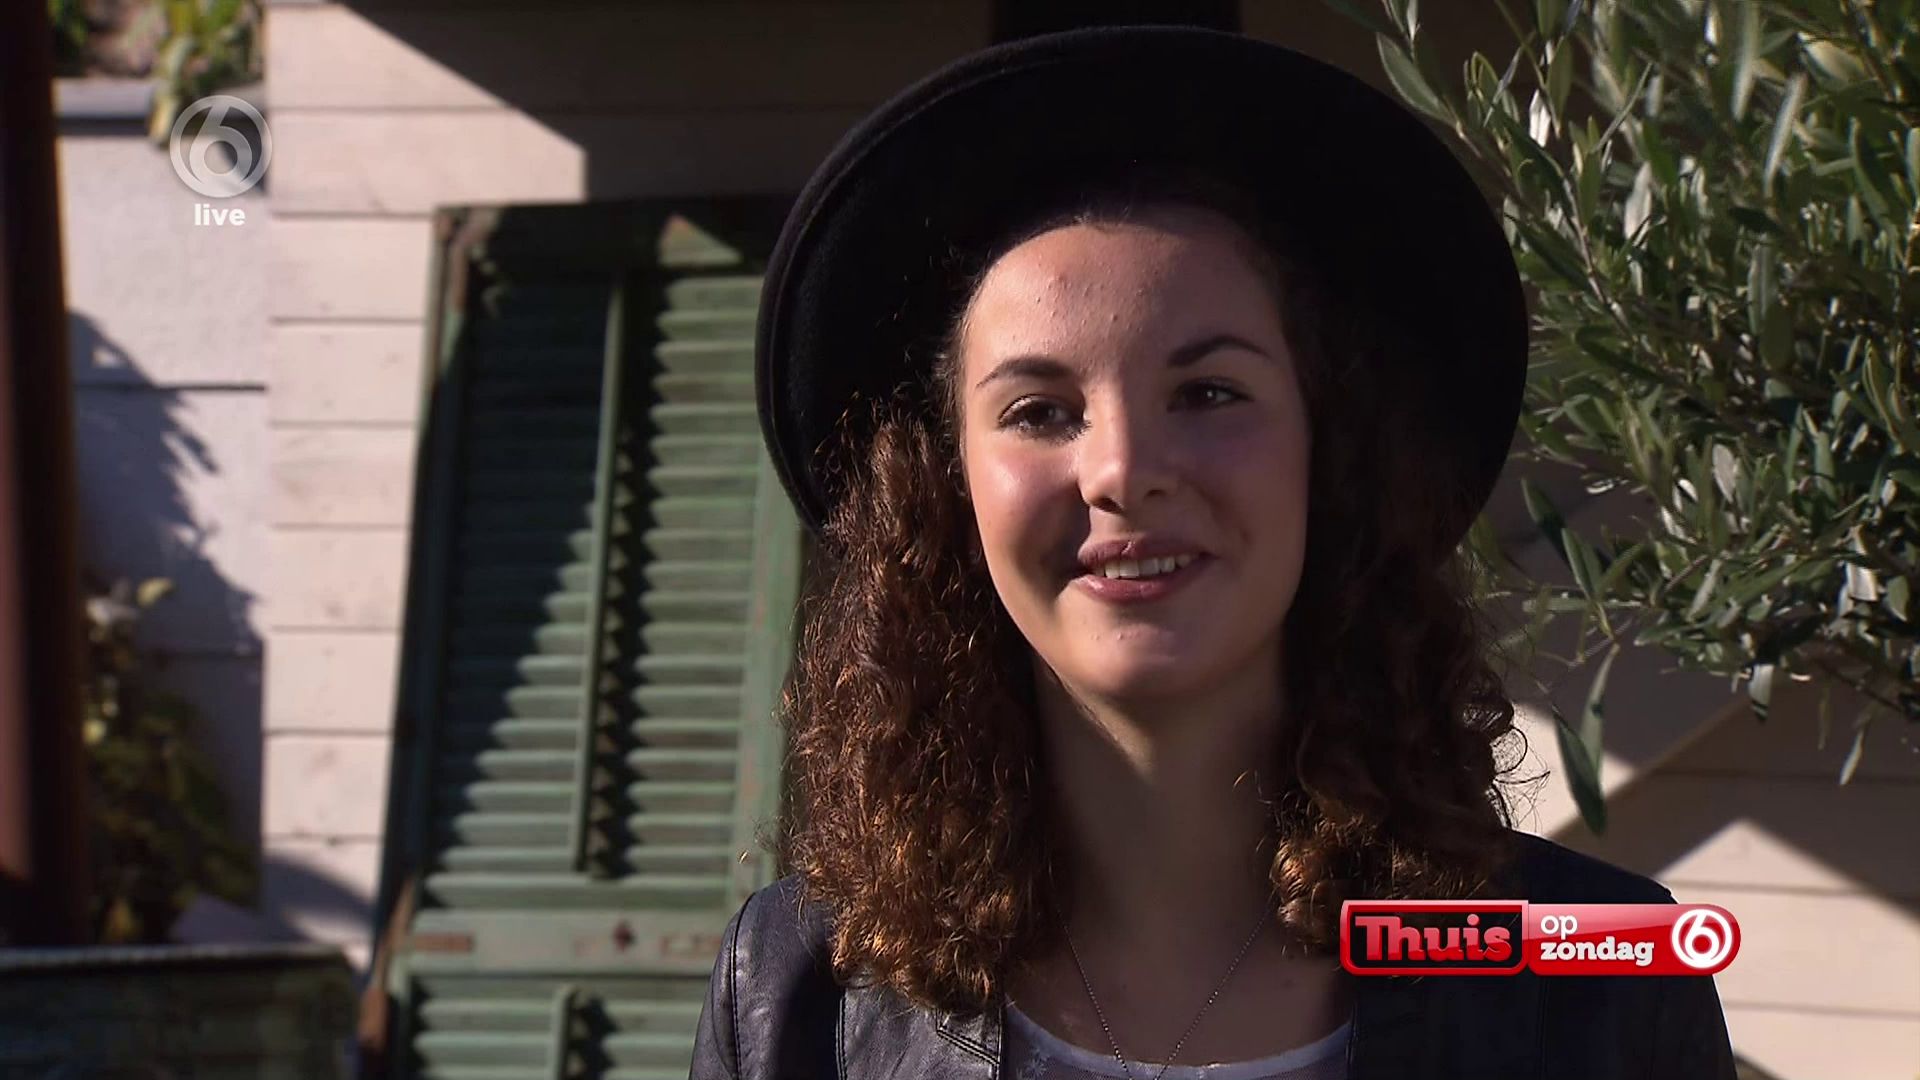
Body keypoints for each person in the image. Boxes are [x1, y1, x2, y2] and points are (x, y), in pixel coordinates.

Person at [693, 25, 1739, 1080]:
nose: (1122, 470)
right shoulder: (793, 997)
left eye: (1207, 393)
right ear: (946, 485)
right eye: (1039, 410)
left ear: (1329, 455)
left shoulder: (1606, 990)